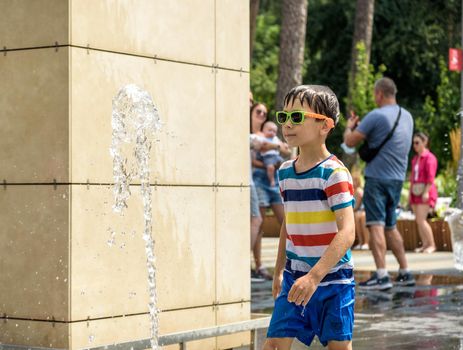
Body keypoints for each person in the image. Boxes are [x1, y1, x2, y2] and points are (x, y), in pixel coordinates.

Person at [264, 85, 356, 350]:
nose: (287, 125)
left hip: (333, 280)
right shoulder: (285, 173)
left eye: (297, 117)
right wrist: (279, 270)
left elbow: (348, 232)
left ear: (324, 125)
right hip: (295, 276)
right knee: (273, 345)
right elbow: (288, 224)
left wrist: (315, 277)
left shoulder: (333, 174)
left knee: (338, 347)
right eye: (284, 117)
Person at [343, 77, 415, 290]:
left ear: (379, 94)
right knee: (391, 226)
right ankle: (405, 272)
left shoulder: (376, 115)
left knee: (375, 225)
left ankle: (382, 275)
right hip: (397, 179)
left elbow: (350, 142)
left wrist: (349, 128)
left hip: (377, 178)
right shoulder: (407, 116)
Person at [251, 102, 290, 280]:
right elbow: (251, 160)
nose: (261, 114)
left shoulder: (269, 135)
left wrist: (272, 148)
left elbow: (286, 150)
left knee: (286, 220)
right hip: (258, 179)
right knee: (257, 223)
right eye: (258, 111)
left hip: (273, 182)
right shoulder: (251, 136)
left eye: (264, 112)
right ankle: (258, 264)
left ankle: (290, 262)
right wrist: (274, 152)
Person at [410, 132, 438, 253]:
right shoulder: (415, 159)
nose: (414, 145)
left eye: (417, 143)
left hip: (425, 192)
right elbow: (412, 177)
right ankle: (425, 244)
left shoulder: (430, 158)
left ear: (424, 142)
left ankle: (432, 245)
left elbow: (430, 178)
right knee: (418, 220)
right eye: (413, 143)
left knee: (422, 220)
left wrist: (426, 192)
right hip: (415, 192)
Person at [257, 121, 284, 187]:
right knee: (270, 167)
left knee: (284, 164)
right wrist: (275, 146)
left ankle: (283, 179)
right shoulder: (263, 138)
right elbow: (262, 146)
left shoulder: (275, 138)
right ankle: (272, 180)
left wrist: (284, 145)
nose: (272, 133)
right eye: (270, 130)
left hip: (276, 156)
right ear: (263, 130)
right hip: (267, 156)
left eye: (274, 131)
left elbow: (281, 145)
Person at [352, 172, 369, 250]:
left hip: (363, 210)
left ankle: (366, 242)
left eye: (355, 180)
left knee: (361, 216)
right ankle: (361, 242)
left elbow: (357, 206)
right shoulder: (352, 191)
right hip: (358, 212)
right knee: (357, 216)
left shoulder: (359, 191)